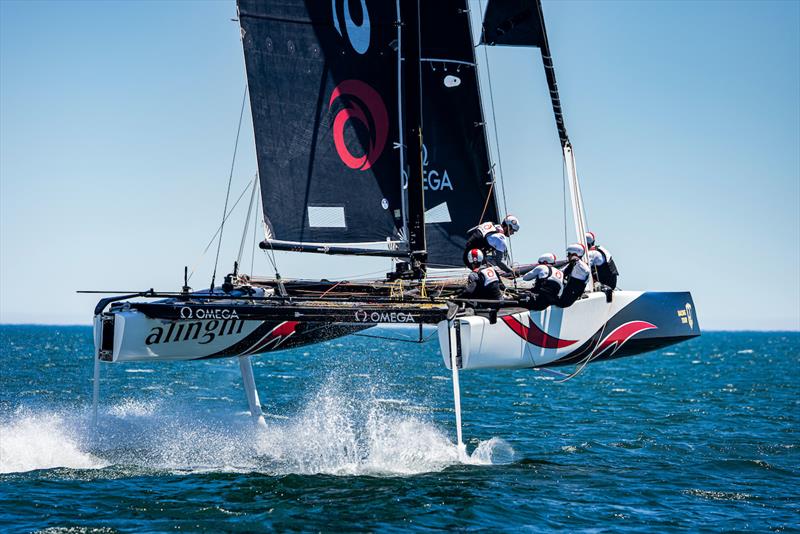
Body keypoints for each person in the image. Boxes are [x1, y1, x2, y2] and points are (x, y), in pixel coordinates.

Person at [557, 243, 590, 307]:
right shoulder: (572, 264)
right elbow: (561, 271)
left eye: (569, 254)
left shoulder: (582, 267)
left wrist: (577, 260)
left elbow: (586, 271)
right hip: (565, 293)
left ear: (575, 254)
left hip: (567, 300)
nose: (567, 256)